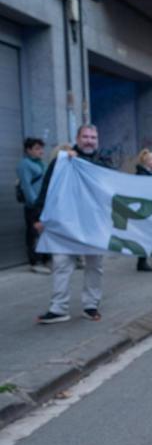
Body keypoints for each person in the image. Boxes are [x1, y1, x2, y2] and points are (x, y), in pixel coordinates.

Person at [34, 125, 107, 324]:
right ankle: (58, 308)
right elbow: (47, 187)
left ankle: (91, 306)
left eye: (93, 137)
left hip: (93, 224)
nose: (90, 140)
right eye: (86, 136)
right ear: (77, 137)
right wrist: (38, 215)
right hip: (65, 221)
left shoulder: (102, 163)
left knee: (94, 265)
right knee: (61, 264)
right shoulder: (63, 160)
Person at [17, 137, 50, 274]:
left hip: (43, 204)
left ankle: (45, 259)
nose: (41, 151)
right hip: (33, 205)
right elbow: (26, 186)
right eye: (37, 148)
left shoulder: (40, 163)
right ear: (28, 150)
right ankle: (35, 262)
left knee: (44, 232)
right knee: (33, 233)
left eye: (41, 148)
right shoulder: (25, 164)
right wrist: (35, 204)